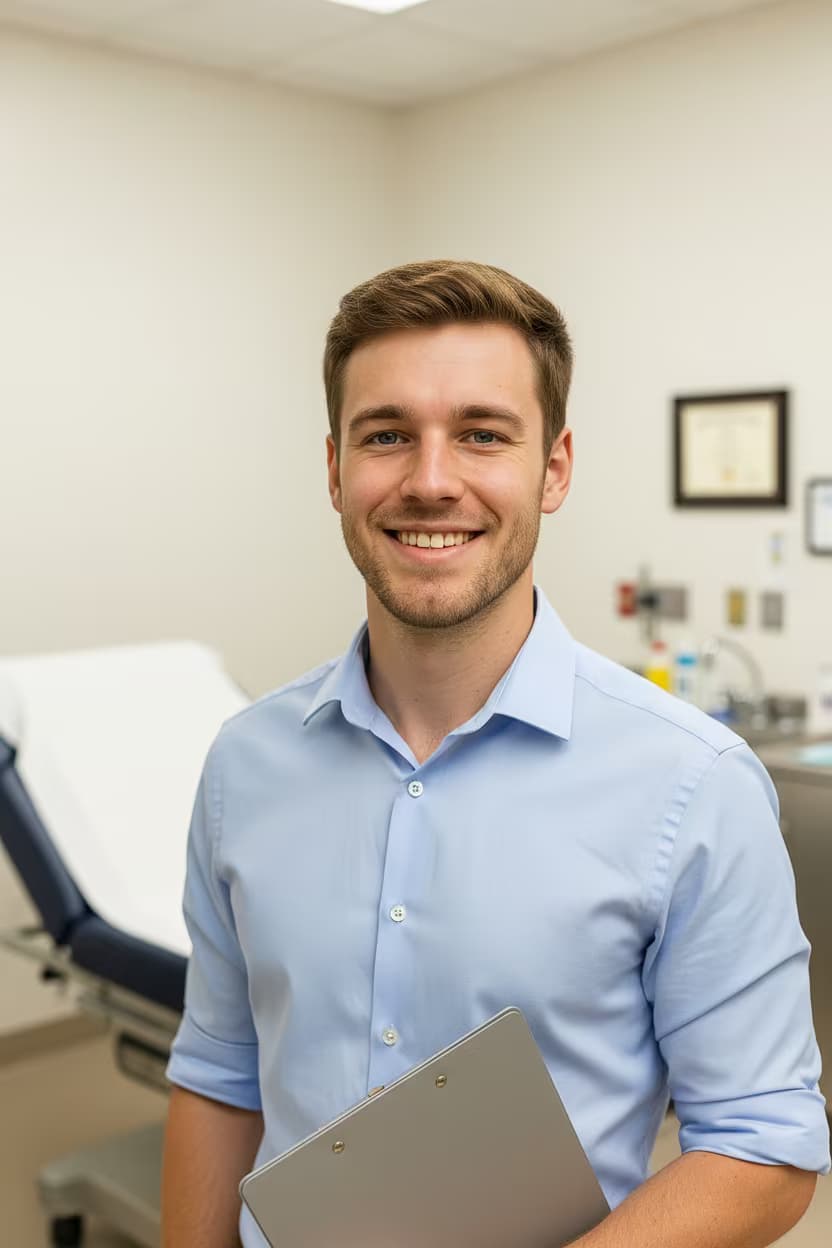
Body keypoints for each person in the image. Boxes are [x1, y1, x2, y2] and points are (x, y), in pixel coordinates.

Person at [161, 260, 830, 1247]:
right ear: (336, 469)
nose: (433, 482)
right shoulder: (244, 765)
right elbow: (219, 1077)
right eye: (387, 435)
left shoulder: (694, 784)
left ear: (552, 469)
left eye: (481, 434)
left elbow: (764, 1144)